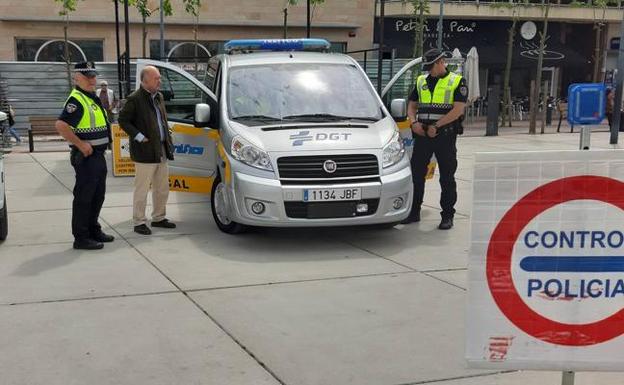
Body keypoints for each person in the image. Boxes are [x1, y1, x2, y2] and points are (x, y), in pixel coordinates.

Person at [402, 48, 468, 230]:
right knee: (417, 175)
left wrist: (437, 126)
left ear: (441, 62)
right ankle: (414, 212)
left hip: (445, 136)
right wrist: (413, 122)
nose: (429, 70)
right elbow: (412, 105)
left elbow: (458, 109)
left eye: (432, 66)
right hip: (423, 134)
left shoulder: (456, 81)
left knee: (447, 176)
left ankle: (447, 215)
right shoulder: (421, 81)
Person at [55, 62, 114, 250]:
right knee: (84, 198)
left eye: (94, 76)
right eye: (88, 77)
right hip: (87, 157)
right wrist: (80, 144)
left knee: (98, 196)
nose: (92, 80)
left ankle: (93, 229)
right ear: (77, 77)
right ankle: (81, 237)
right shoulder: (77, 100)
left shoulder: (91, 97)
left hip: (98, 156)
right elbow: (61, 125)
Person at [118, 65, 176, 235]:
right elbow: (123, 120)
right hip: (145, 151)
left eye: (159, 78)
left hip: (162, 150)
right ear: (145, 80)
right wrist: (139, 136)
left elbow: (161, 120)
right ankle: (139, 221)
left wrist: (167, 133)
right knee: (142, 189)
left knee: (162, 188)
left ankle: (158, 218)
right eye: (156, 78)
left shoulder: (159, 97)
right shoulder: (135, 99)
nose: (160, 81)